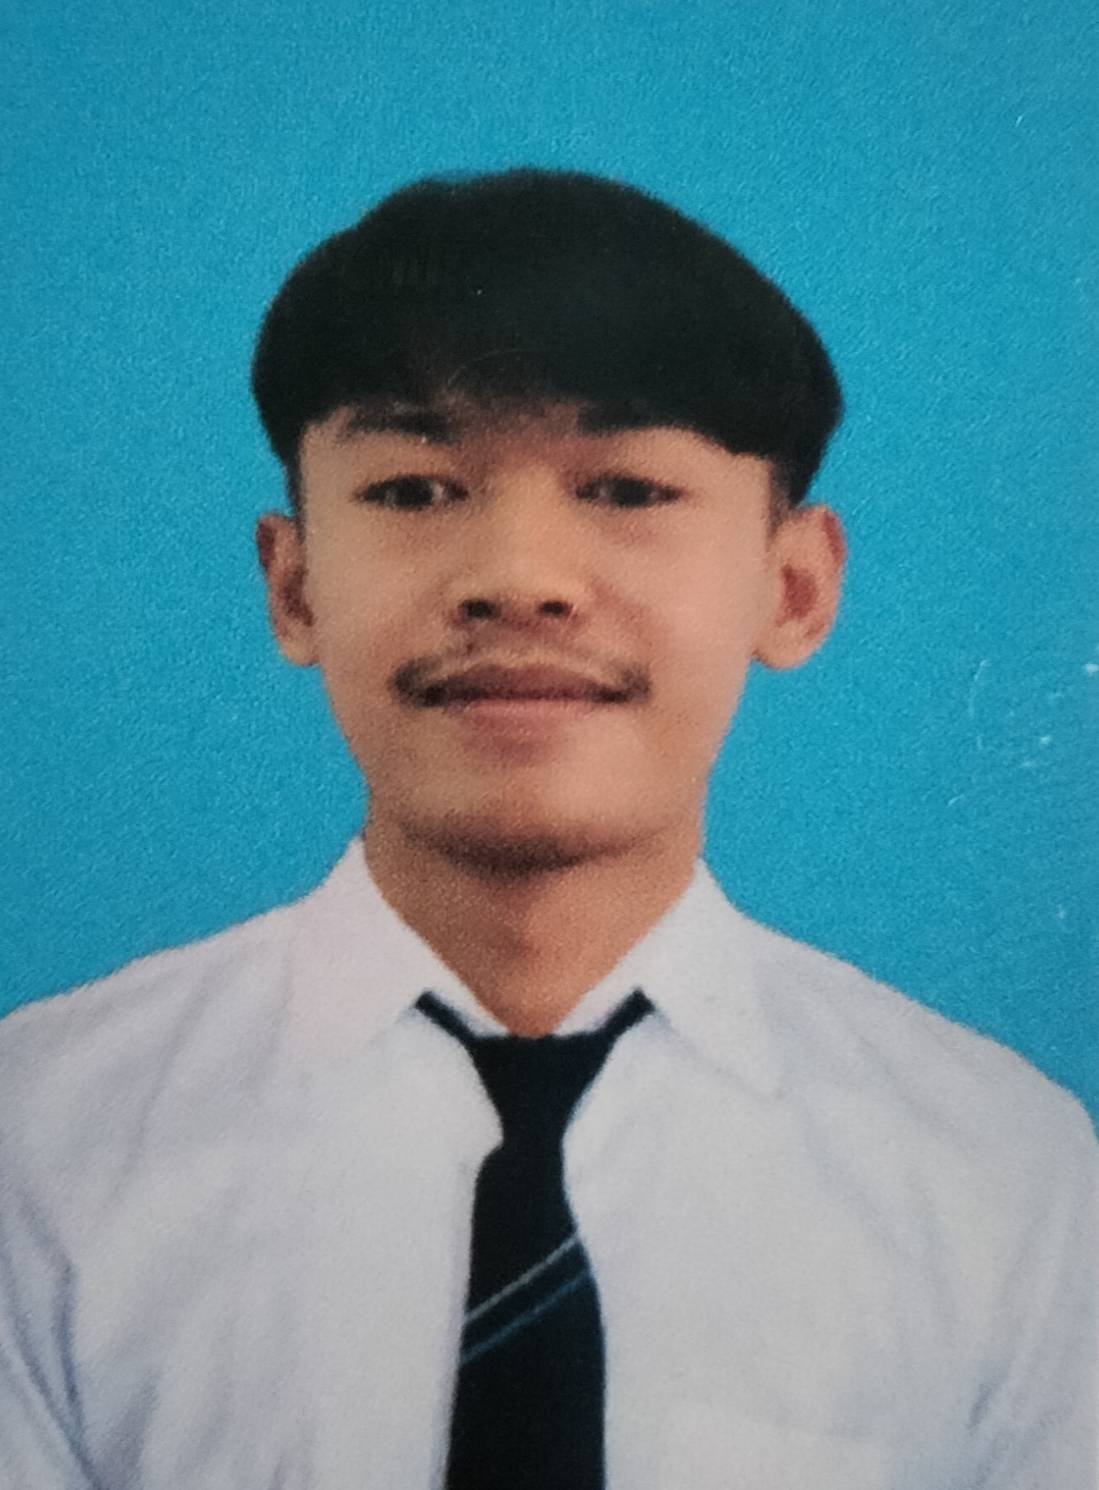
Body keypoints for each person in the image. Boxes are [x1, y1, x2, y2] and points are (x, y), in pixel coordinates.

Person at [0, 169, 1094, 1490]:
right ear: (293, 586)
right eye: (415, 490)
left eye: (626, 488)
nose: (518, 579)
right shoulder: (39, 1150)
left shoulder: (1005, 1178)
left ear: (795, 587)